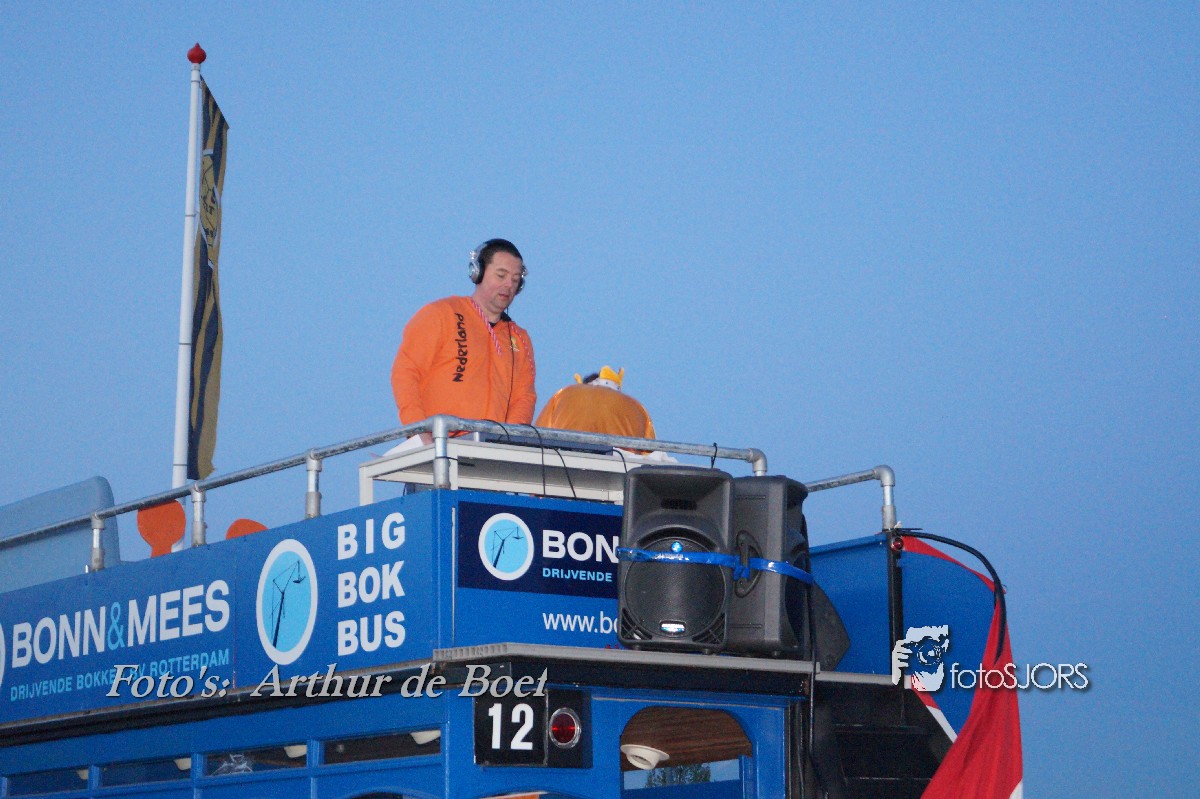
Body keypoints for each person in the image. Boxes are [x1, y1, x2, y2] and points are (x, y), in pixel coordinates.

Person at [391, 239, 535, 442]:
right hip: (439, 446)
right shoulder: (442, 314)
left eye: (515, 279)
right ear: (478, 273)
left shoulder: (520, 339)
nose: (508, 285)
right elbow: (406, 372)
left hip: (492, 452)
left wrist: (509, 441)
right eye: (501, 275)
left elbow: (524, 397)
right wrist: (418, 431)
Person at [534, 366, 656, 441]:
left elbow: (538, 435)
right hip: (619, 469)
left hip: (564, 462)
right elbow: (651, 452)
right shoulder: (636, 407)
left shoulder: (563, 395)